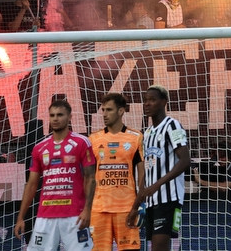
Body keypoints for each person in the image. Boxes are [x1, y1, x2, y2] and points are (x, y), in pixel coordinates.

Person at [14, 100, 96, 251]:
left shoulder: (82, 142)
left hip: (74, 214)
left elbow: (90, 178)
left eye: (60, 115)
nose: (55, 119)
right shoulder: (39, 148)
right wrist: (21, 217)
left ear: (69, 117)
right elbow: (31, 184)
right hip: (45, 214)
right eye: (52, 115)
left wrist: (87, 210)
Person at [128, 86, 191, 251]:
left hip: (169, 199)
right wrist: (135, 206)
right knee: (154, 247)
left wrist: (157, 185)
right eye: (145, 100)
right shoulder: (147, 133)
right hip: (151, 202)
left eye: (152, 100)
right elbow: (147, 174)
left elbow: (185, 161)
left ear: (163, 102)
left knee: (160, 246)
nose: (147, 104)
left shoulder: (173, 125)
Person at [89, 93, 143, 251]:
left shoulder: (136, 137)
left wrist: (138, 205)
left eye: (109, 110)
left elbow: (142, 174)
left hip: (127, 208)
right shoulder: (94, 138)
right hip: (99, 209)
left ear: (121, 111)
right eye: (103, 110)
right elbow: (89, 176)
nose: (104, 114)